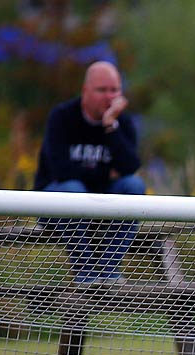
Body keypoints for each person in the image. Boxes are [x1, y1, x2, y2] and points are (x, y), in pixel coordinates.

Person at [33, 61, 146, 283]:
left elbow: (130, 167)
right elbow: (61, 171)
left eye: (114, 90)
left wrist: (110, 126)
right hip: (56, 203)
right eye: (102, 90)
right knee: (73, 189)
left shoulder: (121, 123)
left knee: (134, 186)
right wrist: (106, 175)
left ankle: (108, 272)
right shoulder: (62, 117)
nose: (109, 96)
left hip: (101, 206)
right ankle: (85, 273)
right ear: (86, 90)